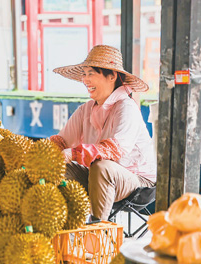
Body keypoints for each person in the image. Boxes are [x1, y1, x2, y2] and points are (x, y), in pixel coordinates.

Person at [50, 45, 156, 221]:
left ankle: (97, 231)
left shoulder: (126, 107)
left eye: (91, 73)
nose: (85, 80)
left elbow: (115, 150)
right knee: (57, 166)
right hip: (98, 177)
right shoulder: (85, 110)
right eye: (84, 74)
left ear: (112, 76)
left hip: (140, 184)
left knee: (102, 166)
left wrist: (74, 153)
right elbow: (61, 141)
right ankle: (62, 224)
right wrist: (37, 155)